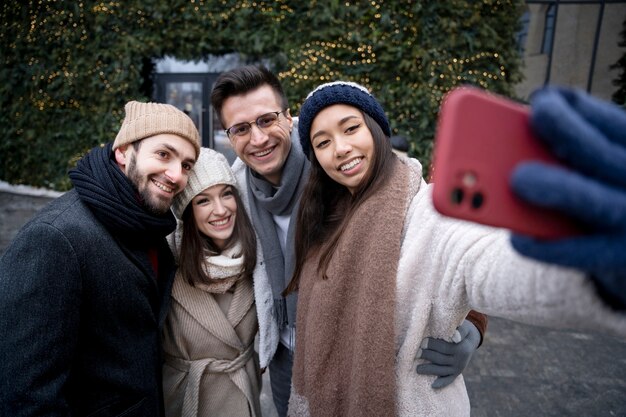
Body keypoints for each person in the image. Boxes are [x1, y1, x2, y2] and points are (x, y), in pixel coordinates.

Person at [286, 81, 626, 417]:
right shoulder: (321, 221)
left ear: (377, 128)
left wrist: (599, 269)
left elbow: (491, 265)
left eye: (351, 128)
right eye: (323, 142)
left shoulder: (428, 212)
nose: (341, 148)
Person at [209, 65, 487, 415]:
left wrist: (473, 329)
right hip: (286, 355)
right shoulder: (233, 192)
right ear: (229, 136)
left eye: (266, 120)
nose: (258, 138)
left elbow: (432, 237)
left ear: (288, 116)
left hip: (351, 349)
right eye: (241, 129)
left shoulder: (335, 167)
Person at [0, 101, 200, 416]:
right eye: (163, 154)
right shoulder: (55, 239)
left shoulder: (144, 225)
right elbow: (26, 398)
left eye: (187, 165)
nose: (176, 175)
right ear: (122, 151)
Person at [162, 147, 261, 417]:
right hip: (187, 398)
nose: (220, 210)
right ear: (187, 211)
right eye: (203, 200)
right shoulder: (167, 261)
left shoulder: (258, 255)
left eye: (226, 194)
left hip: (243, 395)